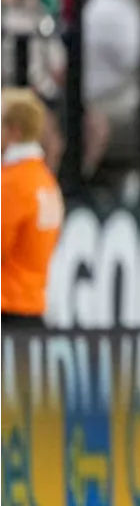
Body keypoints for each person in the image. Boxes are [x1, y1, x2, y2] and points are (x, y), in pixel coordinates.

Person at [0, 89, 63, 329]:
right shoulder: (44, 180)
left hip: (7, 307)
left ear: (14, 131)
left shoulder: (12, 182)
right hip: (32, 308)